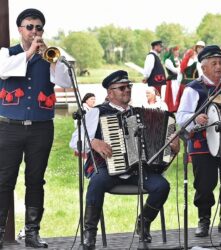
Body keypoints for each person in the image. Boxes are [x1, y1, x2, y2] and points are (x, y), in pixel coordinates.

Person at [70, 70, 179, 248]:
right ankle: (89, 233)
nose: (126, 90)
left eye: (128, 86)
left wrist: (172, 146)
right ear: (110, 92)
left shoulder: (140, 112)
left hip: (139, 170)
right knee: (96, 182)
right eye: (121, 88)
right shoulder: (97, 112)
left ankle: (143, 223)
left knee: (162, 186)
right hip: (108, 168)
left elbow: (160, 147)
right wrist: (94, 142)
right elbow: (75, 140)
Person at [0, 8, 71, 249]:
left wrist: (51, 58)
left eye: (38, 27)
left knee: (35, 180)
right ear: (20, 29)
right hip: (9, 128)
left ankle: (31, 232)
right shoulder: (6, 53)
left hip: (41, 128)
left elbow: (65, 81)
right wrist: (30, 52)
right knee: (4, 180)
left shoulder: (50, 55)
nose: (34, 32)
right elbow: (5, 71)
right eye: (29, 27)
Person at [176, 45, 221, 237]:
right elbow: (181, 116)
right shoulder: (193, 89)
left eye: (220, 62)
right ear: (203, 67)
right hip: (202, 143)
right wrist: (196, 118)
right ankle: (204, 220)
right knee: (205, 184)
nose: (218, 67)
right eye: (214, 63)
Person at [174, 41, 206, 111]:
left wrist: (179, 84)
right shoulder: (196, 62)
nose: (199, 49)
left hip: (183, 84)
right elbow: (201, 74)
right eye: (198, 47)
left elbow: (179, 75)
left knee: (183, 102)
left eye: (201, 47)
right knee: (191, 102)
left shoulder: (183, 62)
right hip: (192, 84)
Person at [163, 46, 181, 112]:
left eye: (178, 51)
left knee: (178, 94)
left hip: (179, 80)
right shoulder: (168, 60)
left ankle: (178, 107)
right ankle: (173, 108)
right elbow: (174, 70)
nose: (178, 52)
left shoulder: (179, 60)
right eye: (176, 51)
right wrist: (182, 70)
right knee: (174, 94)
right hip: (173, 80)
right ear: (172, 52)